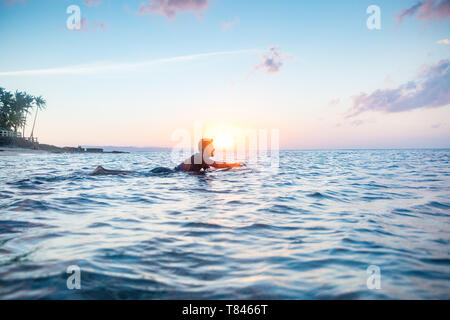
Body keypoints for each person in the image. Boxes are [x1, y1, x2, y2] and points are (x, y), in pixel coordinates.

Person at [89, 138, 243, 176]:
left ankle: (104, 170)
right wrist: (236, 165)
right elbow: (217, 166)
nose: (215, 148)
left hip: (166, 171)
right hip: (166, 172)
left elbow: (214, 167)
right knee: (132, 174)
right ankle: (103, 171)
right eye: (212, 146)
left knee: (133, 174)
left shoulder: (201, 158)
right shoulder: (201, 157)